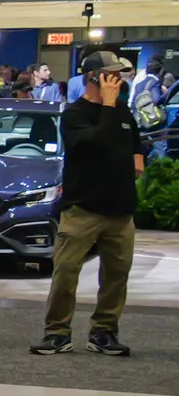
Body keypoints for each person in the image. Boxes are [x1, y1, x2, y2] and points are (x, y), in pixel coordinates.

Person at [31, 51, 143, 357]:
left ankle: (104, 331)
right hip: (82, 209)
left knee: (117, 275)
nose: (120, 78)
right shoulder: (75, 114)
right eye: (113, 73)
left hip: (119, 210)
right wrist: (107, 104)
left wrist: (136, 161)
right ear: (96, 77)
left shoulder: (123, 112)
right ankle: (57, 332)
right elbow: (94, 144)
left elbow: (134, 146)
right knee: (66, 272)